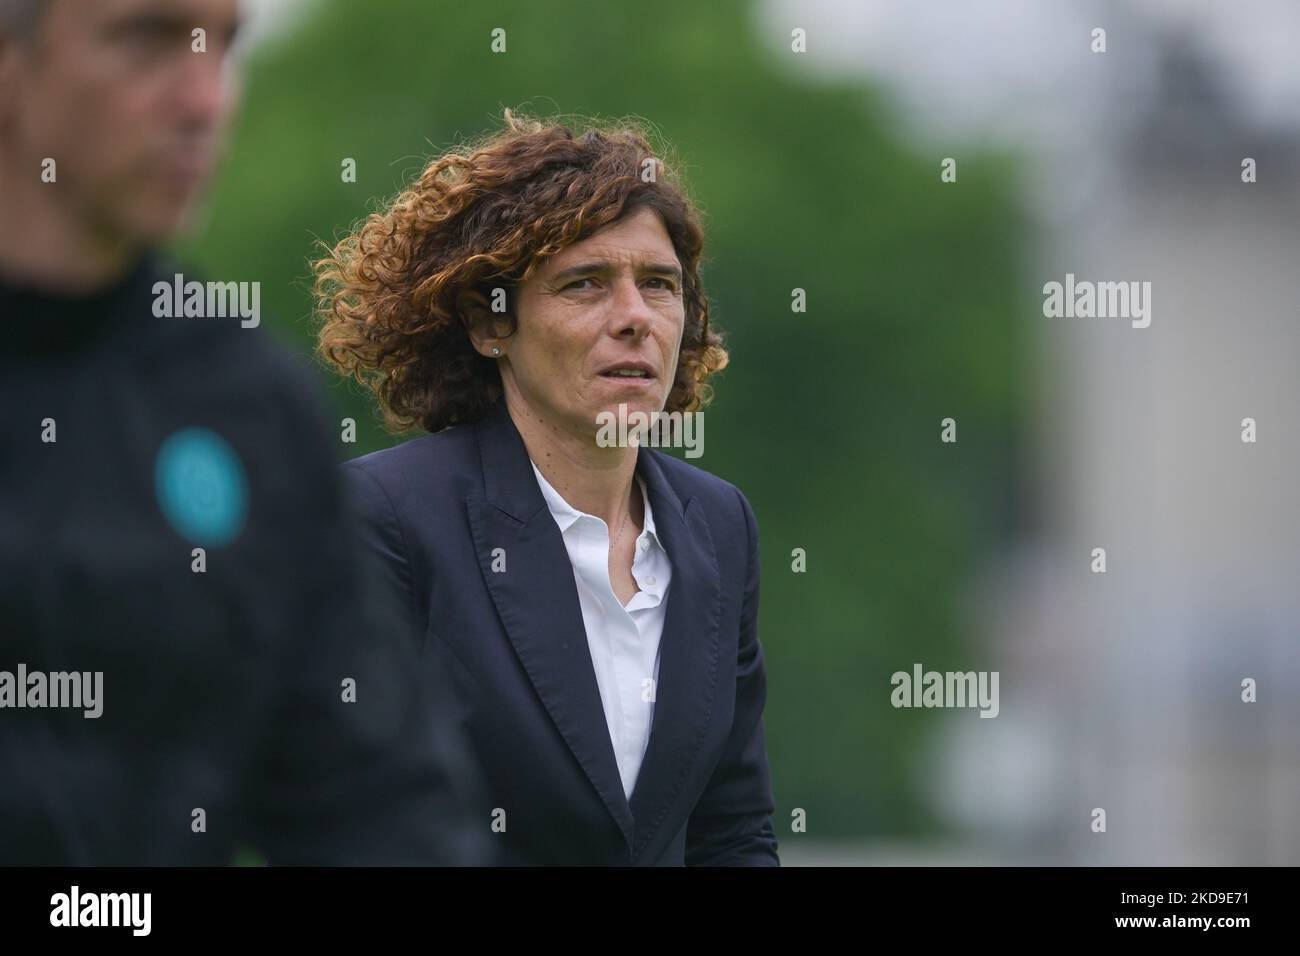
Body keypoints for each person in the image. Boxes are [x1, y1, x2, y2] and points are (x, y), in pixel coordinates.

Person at [0, 0, 491, 865]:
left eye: (223, 46)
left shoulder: (248, 408)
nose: (205, 101)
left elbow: (381, 811)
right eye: (146, 38)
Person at [314, 109, 780, 865]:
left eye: (659, 285)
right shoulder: (383, 519)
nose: (634, 318)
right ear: (489, 323)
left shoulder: (721, 524)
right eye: (585, 284)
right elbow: (350, 827)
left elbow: (732, 832)